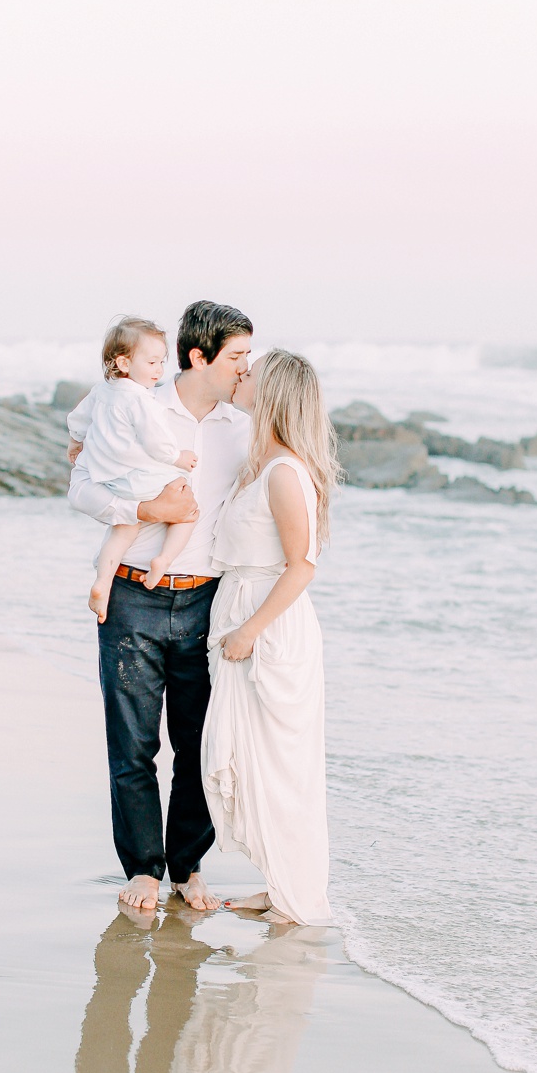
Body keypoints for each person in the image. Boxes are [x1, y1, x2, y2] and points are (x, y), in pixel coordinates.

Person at [68, 300, 253, 913]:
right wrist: (146, 512)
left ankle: (186, 867)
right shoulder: (136, 405)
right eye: (236, 357)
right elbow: (81, 487)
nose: (244, 369)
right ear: (199, 357)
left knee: (200, 745)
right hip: (131, 595)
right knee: (133, 744)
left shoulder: (241, 428)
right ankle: (144, 868)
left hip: (208, 602)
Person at [201, 349, 341, 925]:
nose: (242, 375)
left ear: (274, 393)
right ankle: (281, 884)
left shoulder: (285, 474)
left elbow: (302, 565)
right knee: (253, 759)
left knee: (282, 767)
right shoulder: (258, 464)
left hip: (268, 629)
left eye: (252, 372)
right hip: (241, 612)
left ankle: (297, 898)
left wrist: (249, 632)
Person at [67, 318, 199, 622]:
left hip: (111, 480)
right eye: (152, 362)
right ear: (124, 362)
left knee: (124, 527)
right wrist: (179, 457)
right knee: (189, 508)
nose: (159, 370)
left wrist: (75, 444)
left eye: (162, 362)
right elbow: (156, 443)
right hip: (140, 477)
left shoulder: (101, 391)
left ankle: (102, 583)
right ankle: (163, 560)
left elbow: (77, 420)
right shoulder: (140, 399)